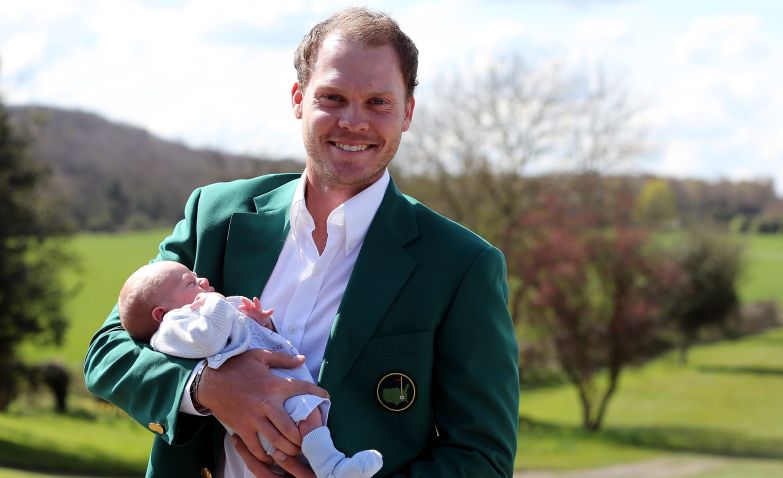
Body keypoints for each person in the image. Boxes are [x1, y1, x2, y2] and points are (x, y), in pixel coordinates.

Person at [85, 6, 519, 478]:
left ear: (407, 112)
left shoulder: (461, 264)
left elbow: (483, 458)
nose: (354, 121)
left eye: (379, 102)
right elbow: (108, 353)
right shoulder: (216, 216)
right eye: (333, 97)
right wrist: (207, 388)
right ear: (298, 98)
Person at [118, 260, 383, 478]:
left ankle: (330, 466)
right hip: (264, 414)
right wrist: (215, 301)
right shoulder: (173, 327)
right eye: (190, 282)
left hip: (278, 396)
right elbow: (210, 338)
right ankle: (332, 468)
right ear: (161, 314)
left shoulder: (197, 314)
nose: (203, 281)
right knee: (306, 416)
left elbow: (244, 338)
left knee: (308, 415)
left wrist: (259, 323)